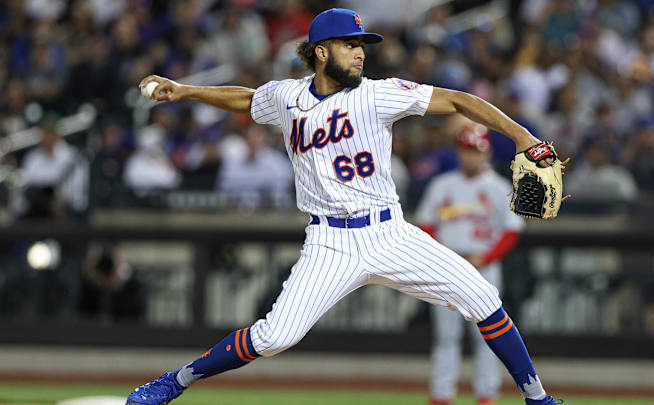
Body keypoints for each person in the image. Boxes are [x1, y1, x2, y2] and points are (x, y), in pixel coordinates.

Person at [126, 9, 562, 405]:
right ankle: (175, 381)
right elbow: (246, 99)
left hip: (389, 233)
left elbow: (459, 100)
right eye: (350, 45)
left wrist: (523, 136)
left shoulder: (377, 94)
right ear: (320, 52)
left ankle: (537, 399)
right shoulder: (286, 98)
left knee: (485, 297)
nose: (359, 54)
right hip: (329, 241)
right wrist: (183, 91)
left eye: (361, 46)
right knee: (275, 336)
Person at [417, 123, 525, 405]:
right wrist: (444, 256)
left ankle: (487, 396)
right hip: (448, 268)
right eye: (466, 150)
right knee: (446, 338)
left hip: (484, 267)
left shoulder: (499, 187)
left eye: (475, 151)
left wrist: (485, 257)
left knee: (488, 338)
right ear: (458, 152)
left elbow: (513, 230)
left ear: (486, 152)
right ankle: (441, 397)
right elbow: (426, 225)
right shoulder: (442, 185)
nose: (470, 157)